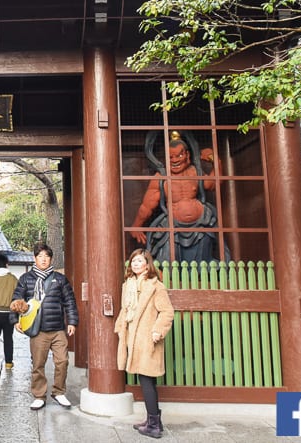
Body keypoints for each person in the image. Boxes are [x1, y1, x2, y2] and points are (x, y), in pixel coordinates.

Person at [130, 131, 222, 263]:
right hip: (173, 226)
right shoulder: (161, 177)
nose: (175, 160)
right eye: (171, 157)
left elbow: (214, 184)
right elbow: (147, 206)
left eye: (179, 155)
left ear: (187, 155)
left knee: (202, 262)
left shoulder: (195, 172)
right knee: (168, 261)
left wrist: (216, 161)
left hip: (201, 224)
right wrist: (136, 226)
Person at [10, 243, 79, 410]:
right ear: (35, 258)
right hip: (38, 329)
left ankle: (59, 392)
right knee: (38, 364)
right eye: (40, 256)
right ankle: (39, 395)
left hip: (57, 328)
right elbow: (16, 299)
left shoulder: (60, 279)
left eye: (46, 257)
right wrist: (15, 320)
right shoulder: (26, 279)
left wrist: (72, 321)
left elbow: (69, 300)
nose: (43, 260)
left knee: (62, 360)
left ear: (51, 259)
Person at [115, 248, 174, 439]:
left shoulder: (156, 286)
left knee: (147, 380)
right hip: (133, 337)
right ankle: (152, 419)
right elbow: (126, 310)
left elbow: (167, 312)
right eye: (133, 261)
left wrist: (158, 330)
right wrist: (120, 326)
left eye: (140, 261)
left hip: (148, 339)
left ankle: (154, 425)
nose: (136, 264)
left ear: (148, 265)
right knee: (144, 379)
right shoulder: (128, 285)